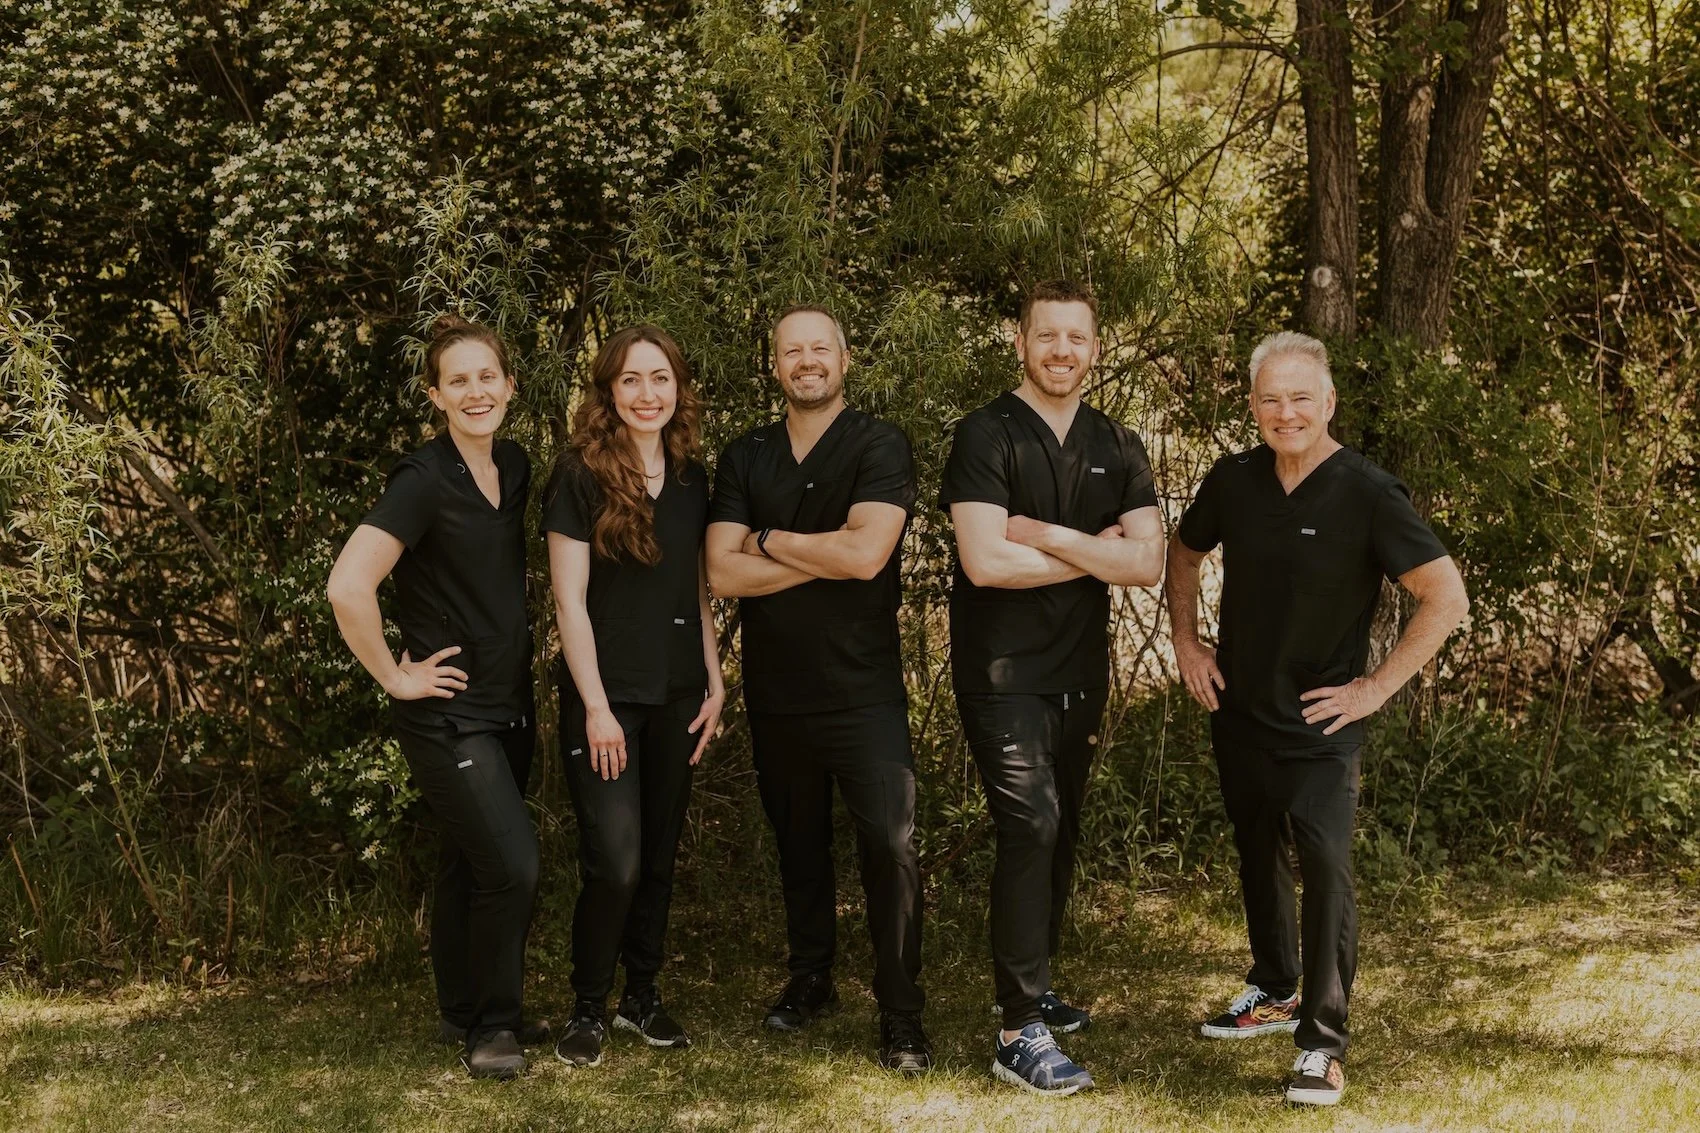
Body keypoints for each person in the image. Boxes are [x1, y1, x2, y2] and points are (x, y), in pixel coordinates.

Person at [1166, 331, 1470, 1107]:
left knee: (1326, 868)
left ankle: (1322, 1044)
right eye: (1270, 398)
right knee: (1255, 845)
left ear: (1328, 402)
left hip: (1321, 722)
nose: (1286, 411)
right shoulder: (1233, 479)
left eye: (1301, 397)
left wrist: (1374, 688)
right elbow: (1184, 550)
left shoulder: (1369, 492)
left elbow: (1446, 597)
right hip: (1238, 705)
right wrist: (1188, 641)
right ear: (1254, 408)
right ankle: (1273, 986)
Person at [940, 279, 1164, 1096]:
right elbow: (984, 561)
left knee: (1060, 828)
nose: (1062, 350)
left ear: (1095, 347)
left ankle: (1035, 983)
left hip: (1080, 674)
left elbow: (1144, 561)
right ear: (1021, 342)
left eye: (1076, 337)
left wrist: (1046, 534)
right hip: (1002, 674)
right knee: (1030, 822)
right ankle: (1016, 1029)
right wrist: (1091, 552)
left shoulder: (1118, 441)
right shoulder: (985, 433)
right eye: (1047, 336)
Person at [704, 305, 930, 1074]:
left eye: (819, 349)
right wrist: (822, 551)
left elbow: (868, 556)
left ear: (845, 356)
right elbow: (718, 572)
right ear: (775, 366)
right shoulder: (746, 455)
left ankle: (900, 1011)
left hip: (865, 690)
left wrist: (766, 538)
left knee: (891, 845)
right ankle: (811, 978)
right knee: (798, 846)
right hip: (779, 691)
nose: (807, 361)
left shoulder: (877, 443)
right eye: (791, 351)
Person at [326, 314, 543, 1080]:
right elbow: (348, 586)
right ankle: (494, 1026)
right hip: (446, 714)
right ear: (436, 395)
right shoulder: (420, 480)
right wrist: (394, 674)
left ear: (510, 385)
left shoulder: (512, 467)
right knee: (513, 867)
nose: (476, 390)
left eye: (488, 376)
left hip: (510, 705)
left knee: (468, 863)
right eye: (459, 380)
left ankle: (463, 1004)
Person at [544, 325, 725, 1068]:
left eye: (660, 378)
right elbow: (569, 602)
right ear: (608, 392)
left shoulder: (692, 478)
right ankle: (588, 1004)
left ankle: (640, 998)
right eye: (631, 380)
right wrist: (594, 706)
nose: (647, 393)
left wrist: (716, 678)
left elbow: (699, 589)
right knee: (614, 859)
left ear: (677, 388)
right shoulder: (580, 473)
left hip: (681, 691)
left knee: (657, 855)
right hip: (606, 697)